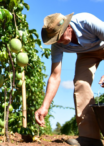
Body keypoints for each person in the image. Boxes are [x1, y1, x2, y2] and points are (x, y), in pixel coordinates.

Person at [35, 12, 104, 146]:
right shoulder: (57, 45)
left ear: (68, 27)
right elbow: (55, 76)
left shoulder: (86, 22)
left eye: (59, 36)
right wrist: (44, 106)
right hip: (86, 55)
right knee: (80, 84)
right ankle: (90, 138)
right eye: (55, 39)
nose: (58, 41)